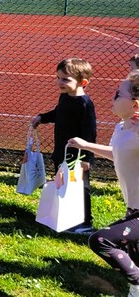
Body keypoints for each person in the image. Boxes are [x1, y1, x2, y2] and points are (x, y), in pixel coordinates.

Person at [68, 70, 139, 297]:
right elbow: (117, 154)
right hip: (132, 208)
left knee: (101, 240)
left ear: (135, 104)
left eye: (119, 94)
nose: (113, 97)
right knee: (134, 259)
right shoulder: (122, 128)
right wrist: (85, 145)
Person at [31, 57, 97, 234]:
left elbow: (90, 133)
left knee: (80, 188)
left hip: (78, 156)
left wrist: (87, 158)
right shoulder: (65, 97)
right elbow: (58, 113)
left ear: (83, 82)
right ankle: (66, 217)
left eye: (66, 79)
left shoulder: (84, 104)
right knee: (62, 184)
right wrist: (42, 118)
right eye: (58, 78)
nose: (60, 82)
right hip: (62, 151)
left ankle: (85, 222)